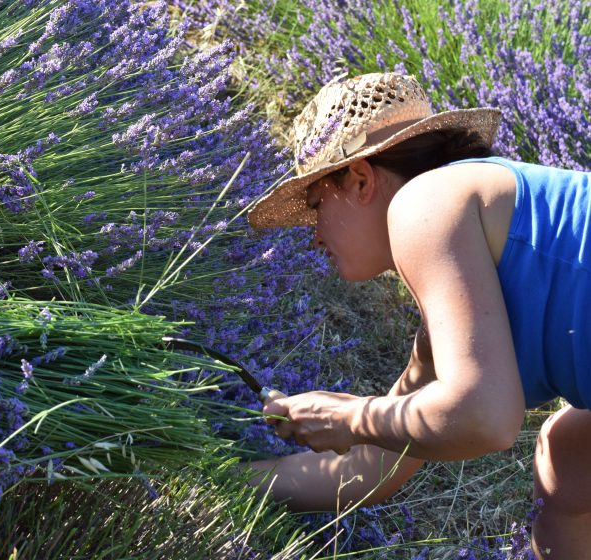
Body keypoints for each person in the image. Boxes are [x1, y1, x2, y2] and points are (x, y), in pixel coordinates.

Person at [246, 72, 591, 559]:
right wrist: (220, 478)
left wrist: (352, 416)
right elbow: (372, 469)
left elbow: (486, 418)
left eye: (317, 205)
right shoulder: (465, 257)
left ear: (361, 179)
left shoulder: (423, 203)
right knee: (566, 466)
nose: (314, 236)